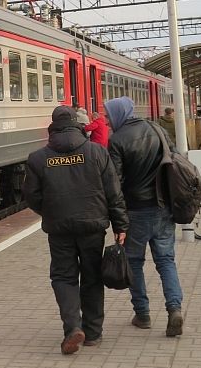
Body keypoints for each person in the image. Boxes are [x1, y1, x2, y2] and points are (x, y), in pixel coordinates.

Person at [23, 106, 128, 354]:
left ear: (53, 127)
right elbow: (113, 192)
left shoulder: (38, 158)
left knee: (63, 277)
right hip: (92, 227)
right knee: (92, 276)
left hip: (59, 229)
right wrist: (121, 224)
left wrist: (50, 212)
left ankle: (72, 328)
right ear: (77, 124)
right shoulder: (96, 153)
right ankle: (93, 333)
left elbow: (31, 196)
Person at [105, 96, 185, 337]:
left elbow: (115, 183)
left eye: (109, 116)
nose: (108, 122)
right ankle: (174, 309)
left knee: (134, 263)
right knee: (166, 261)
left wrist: (114, 216)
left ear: (118, 114)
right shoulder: (157, 129)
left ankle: (142, 314)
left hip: (136, 211)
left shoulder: (117, 140)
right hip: (164, 208)